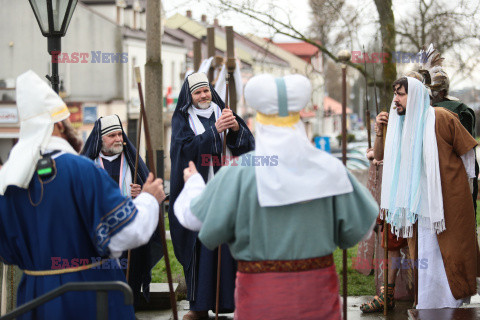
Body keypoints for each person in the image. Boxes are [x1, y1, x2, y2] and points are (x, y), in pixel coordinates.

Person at [173, 73, 379, 319]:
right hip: (317, 300)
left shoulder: (238, 173)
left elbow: (193, 218)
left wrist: (194, 183)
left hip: (260, 301)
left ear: (259, 120)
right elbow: (364, 227)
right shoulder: (331, 169)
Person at [0, 70, 166, 319]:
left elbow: (7, 252)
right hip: (91, 297)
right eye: (68, 123)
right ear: (58, 126)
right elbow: (127, 232)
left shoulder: (8, 182)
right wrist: (150, 199)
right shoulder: (82, 170)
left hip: (36, 301)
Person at [374, 76, 478, 309]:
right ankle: (428, 305)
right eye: (394, 94)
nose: (395, 99)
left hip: (445, 202)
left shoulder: (441, 117)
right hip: (416, 207)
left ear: (418, 95)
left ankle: (452, 302)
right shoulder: (398, 126)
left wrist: (463, 191)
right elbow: (381, 157)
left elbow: (467, 154)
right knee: (424, 257)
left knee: (449, 254)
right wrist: (379, 131)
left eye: (401, 94)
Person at [169, 72, 254, 320]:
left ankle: (229, 303)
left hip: (228, 192)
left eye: (206, 90)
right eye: (198, 92)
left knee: (229, 249)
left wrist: (237, 129)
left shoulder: (224, 112)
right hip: (200, 193)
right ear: (190, 96)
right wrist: (212, 133)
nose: (204, 95)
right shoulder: (182, 119)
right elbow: (183, 151)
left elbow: (249, 147)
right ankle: (198, 307)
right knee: (200, 250)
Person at [81, 114, 163, 307]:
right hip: (97, 232)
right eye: (112, 135)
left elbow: (151, 191)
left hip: (128, 229)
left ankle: (128, 310)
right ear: (100, 139)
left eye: (120, 134)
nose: (118, 139)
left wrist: (141, 192)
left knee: (130, 276)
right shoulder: (87, 164)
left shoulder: (133, 162)